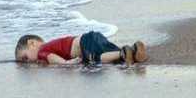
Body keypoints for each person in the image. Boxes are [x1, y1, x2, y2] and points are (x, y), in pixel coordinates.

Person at [14, 31, 148, 65]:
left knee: (95, 59)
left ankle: (123, 53)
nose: (28, 62)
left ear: (32, 43)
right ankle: (133, 50)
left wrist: (65, 63)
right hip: (92, 37)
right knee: (109, 52)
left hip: (84, 42)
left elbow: (51, 57)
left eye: (25, 58)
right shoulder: (51, 45)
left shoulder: (41, 51)